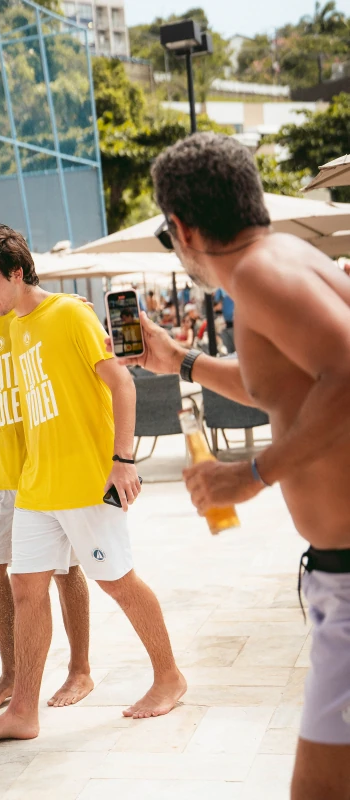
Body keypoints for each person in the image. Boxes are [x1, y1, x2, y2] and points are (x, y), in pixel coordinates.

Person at [114, 132, 350, 800]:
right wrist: (181, 361)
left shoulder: (256, 277)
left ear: (182, 227)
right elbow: (283, 383)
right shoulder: (291, 258)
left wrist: (251, 475)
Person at [0, 227, 186, 743]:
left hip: (86, 482)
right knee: (25, 588)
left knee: (118, 582)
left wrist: (123, 460)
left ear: (17, 272)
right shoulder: (17, 325)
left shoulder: (69, 314)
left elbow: (122, 383)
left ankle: (169, 676)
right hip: (37, 486)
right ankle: (23, 711)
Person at [0, 222, 94, 711]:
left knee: (65, 570)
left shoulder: (46, 312)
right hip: (0, 469)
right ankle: (13, 672)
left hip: (46, 466)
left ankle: (80, 670)